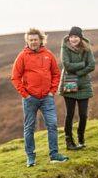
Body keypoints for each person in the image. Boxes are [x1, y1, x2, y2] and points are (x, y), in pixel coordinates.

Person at [10, 28, 68, 166]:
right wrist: (26, 95)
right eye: (31, 40)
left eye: (35, 39)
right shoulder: (22, 56)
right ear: (27, 41)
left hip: (47, 98)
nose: (33, 42)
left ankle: (54, 155)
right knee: (29, 128)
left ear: (41, 40)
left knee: (52, 125)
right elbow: (15, 78)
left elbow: (56, 74)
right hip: (30, 99)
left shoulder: (48, 55)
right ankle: (31, 157)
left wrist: (51, 91)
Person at [59, 26, 96, 150]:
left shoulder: (87, 48)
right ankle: (69, 141)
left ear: (80, 38)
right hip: (70, 81)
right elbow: (67, 65)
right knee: (70, 114)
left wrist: (79, 73)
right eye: (71, 37)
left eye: (76, 37)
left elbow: (91, 65)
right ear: (69, 37)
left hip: (84, 83)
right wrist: (82, 65)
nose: (73, 39)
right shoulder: (65, 47)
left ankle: (81, 139)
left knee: (83, 114)